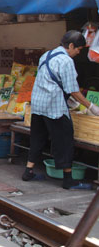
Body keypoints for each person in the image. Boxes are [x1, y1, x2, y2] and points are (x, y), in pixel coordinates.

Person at [22, 30, 99, 190]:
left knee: (37, 137)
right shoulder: (66, 61)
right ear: (71, 46)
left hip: (38, 104)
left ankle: (28, 171)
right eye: (78, 49)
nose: (78, 53)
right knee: (64, 139)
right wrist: (92, 107)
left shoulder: (47, 55)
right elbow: (74, 91)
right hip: (54, 106)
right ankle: (68, 180)